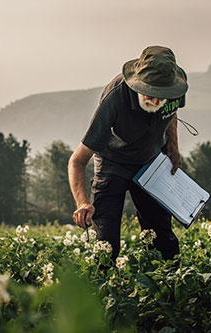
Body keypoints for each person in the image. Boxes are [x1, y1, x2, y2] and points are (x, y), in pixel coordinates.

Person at [68, 46, 188, 261]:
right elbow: (77, 161)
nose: (157, 101)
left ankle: (166, 288)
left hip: (150, 162)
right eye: (151, 93)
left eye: (163, 96)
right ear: (138, 84)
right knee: (106, 243)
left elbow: (171, 113)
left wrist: (173, 147)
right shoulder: (114, 99)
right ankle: (105, 288)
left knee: (163, 239)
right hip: (113, 163)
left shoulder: (175, 88)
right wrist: (82, 203)